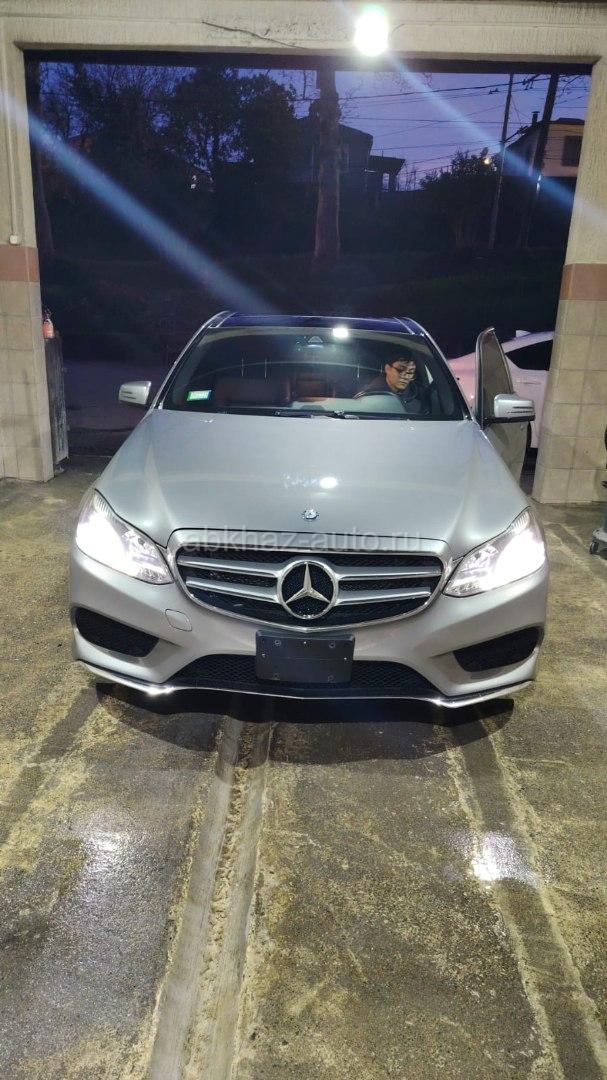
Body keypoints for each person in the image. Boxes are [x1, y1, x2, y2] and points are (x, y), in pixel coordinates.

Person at [355, 355, 430, 414]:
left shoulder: (419, 397)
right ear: (387, 368)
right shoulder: (368, 395)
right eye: (400, 370)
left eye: (410, 372)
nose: (406, 376)